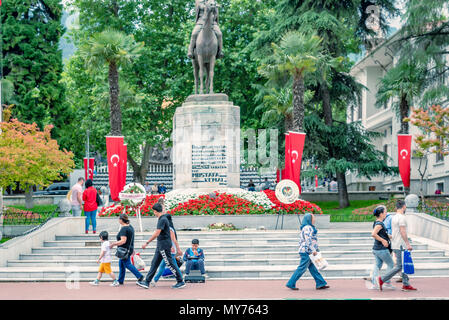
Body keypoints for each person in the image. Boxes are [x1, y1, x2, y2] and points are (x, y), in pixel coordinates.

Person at [137, 203, 186, 289]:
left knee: (170, 263)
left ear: (155, 211)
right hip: (160, 245)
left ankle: (180, 281)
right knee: (154, 263)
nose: (154, 213)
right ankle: (147, 282)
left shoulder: (162, 219)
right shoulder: (161, 219)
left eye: (154, 212)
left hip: (164, 245)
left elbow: (157, 233)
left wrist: (147, 242)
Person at [377, 200, 417, 291]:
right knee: (400, 266)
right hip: (400, 245)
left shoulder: (393, 217)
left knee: (402, 264)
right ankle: (382, 279)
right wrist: (407, 243)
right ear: (404, 207)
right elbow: (402, 231)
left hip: (395, 244)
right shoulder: (402, 218)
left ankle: (406, 284)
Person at [286, 213, 329, 290]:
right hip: (307, 251)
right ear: (309, 219)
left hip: (308, 251)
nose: (314, 219)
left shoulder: (309, 227)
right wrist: (313, 250)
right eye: (313, 218)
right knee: (302, 268)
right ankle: (291, 283)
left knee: (313, 268)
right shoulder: (307, 227)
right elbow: (308, 239)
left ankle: (320, 283)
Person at [151, 199, 184, 287]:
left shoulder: (169, 228)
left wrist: (178, 249)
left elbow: (174, 240)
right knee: (166, 265)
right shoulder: (168, 227)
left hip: (170, 249)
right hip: (168, 248)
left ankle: (180, 280)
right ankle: (154, 280)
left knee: (171, 265)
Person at [110, 214, 144, 285]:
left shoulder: (124, 229)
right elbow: (131, 239)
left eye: (119, 219)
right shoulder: (130, 227)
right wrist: (132, 248)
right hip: (128, 249)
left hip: (124, 250)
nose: (118, 220)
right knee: (121, 265)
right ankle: (120, 280)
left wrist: (113, 244)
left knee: (127, 264)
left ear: (121, 220)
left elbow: (123, 241)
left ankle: (139, 276)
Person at [370, 206, 395, 290]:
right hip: (381, 249)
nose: (386, 214)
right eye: (385, 212)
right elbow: (373, 234)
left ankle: (374, 284)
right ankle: (387, 282)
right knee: (391, 264)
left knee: (377, 265)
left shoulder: (377, 222)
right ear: (381, 214)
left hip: (376, 249)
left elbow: (381, 233)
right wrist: (383, 240)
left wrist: (390, 236)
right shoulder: (379, 224)